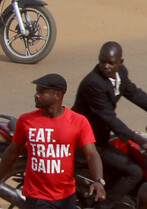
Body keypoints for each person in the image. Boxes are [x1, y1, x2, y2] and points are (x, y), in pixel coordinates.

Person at [73, 43, 147, 209]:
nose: (106, 66)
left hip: (101, 134)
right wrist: (141, 140)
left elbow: (133, 92)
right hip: (88, 141)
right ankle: (103, 206)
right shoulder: (93, 83)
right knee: (134, 172)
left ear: (120, 62)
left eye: (111, 63)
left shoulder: (120, 73)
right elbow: (110, 119)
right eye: (102, 62)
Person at [0, 74, 106, 209]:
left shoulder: (79, 122)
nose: (36, 95)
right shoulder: (26, 121)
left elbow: (91, 154)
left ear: (58, 94)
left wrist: (98, 181)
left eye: (42, 92)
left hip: (66, 196)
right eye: (36, 91)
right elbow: (12, 152)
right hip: (36, 196)